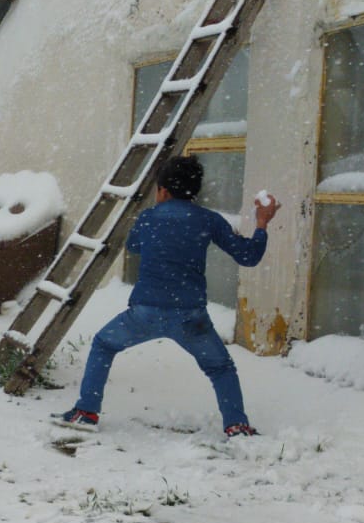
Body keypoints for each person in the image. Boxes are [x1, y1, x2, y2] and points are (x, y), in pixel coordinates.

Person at [57, 156, 280, 437]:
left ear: (162, 190)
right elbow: (249, 256)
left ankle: (86, 412)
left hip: (144, 313)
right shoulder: (209, 220)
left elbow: (134, 246)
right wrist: (262, 222)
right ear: (194, 191)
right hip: (191, 317)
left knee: (103, 345)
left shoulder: (148, 217)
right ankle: (236, 425)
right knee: (220, 367)